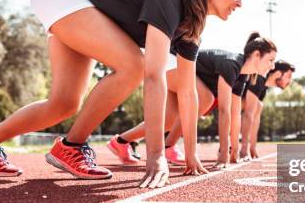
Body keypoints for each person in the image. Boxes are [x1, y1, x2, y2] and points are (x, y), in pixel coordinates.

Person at [0, 0, 245, 188]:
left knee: (64, 103)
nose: (239, 2)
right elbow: (153, 76)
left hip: (80, 6)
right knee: (134, 65)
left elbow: (188, 91)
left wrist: (191, 156)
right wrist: (156, 155)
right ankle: (72, 147)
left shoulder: (192, 26)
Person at [109, 32, 277, 170]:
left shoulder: (243, 76)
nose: (272, 66)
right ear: (256, 55)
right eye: (270, 60)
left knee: (169, 121)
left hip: (177, 70)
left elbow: (235, 114)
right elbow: (224, 110)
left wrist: (235, 150)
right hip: (169, 60)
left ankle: (121, 141)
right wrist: (223, 154)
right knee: (205, 99)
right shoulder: (232, 64)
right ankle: (168, 147)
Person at [239, 60, 295, 160]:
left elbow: (254, 117)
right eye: (288, 76)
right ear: (278, 73)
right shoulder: (259, 79)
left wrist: (252, 147)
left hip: (231, 103)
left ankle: (249, 147)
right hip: (219, 94)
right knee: (255, 106)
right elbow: (248, 114)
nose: (290, 81)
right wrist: (244, 149)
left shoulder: (263, 88)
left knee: (258, 105)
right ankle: (232, 146)